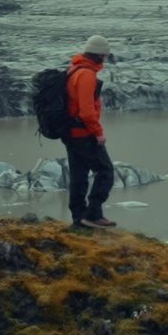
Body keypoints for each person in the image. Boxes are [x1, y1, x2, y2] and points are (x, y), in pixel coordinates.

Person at [63, 36, 116, 229]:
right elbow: (86, 111)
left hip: (70, 133)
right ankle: (93, 214)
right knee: (105, 171)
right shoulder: (86, 74)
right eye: (105, 55)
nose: (106, 59)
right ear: (100, 54)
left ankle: (79, 219)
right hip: (83, 134)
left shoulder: (74, 69)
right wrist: (98, 133)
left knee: (79, 175)